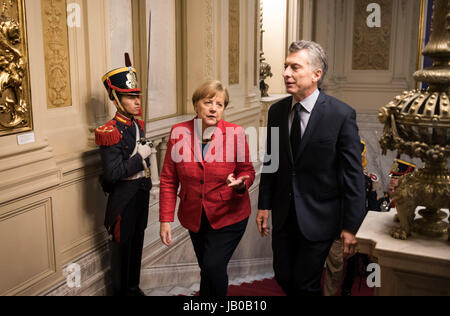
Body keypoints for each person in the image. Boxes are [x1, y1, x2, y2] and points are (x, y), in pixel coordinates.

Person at [257, 40, 366, 296]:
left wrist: (351, 227)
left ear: (316, 74)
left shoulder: (341, 115)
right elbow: (271, 160)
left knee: (305, 284)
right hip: (284, 216)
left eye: (295, 67)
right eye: (285, 66)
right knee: (283, 277)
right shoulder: (276, 111)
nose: (285, 73)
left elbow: (353, 175)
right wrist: (264, 204)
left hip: (320, 217)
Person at [159, 80, 255, 296]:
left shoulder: (235, 133)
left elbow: (247, 170)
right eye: (208, 102)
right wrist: (165, 220)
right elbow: (168, 179)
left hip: (230, 214)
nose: (213, 108)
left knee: (213, 266)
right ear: (196, 105)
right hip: (195, 215)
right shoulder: (178, 132)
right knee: (208, 268)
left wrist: (241, 183)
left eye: (219, 104)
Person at [95, 59, 152, 296]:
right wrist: (140, 157)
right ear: (116, 99)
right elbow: (113, 174)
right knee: (122, 249)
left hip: (140, 192)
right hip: (124, 199)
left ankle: (133, 288)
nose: (137, 101)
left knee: (137, 244)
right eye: (130, 97)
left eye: (137, 96)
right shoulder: (109, 131)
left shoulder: (137, 124)